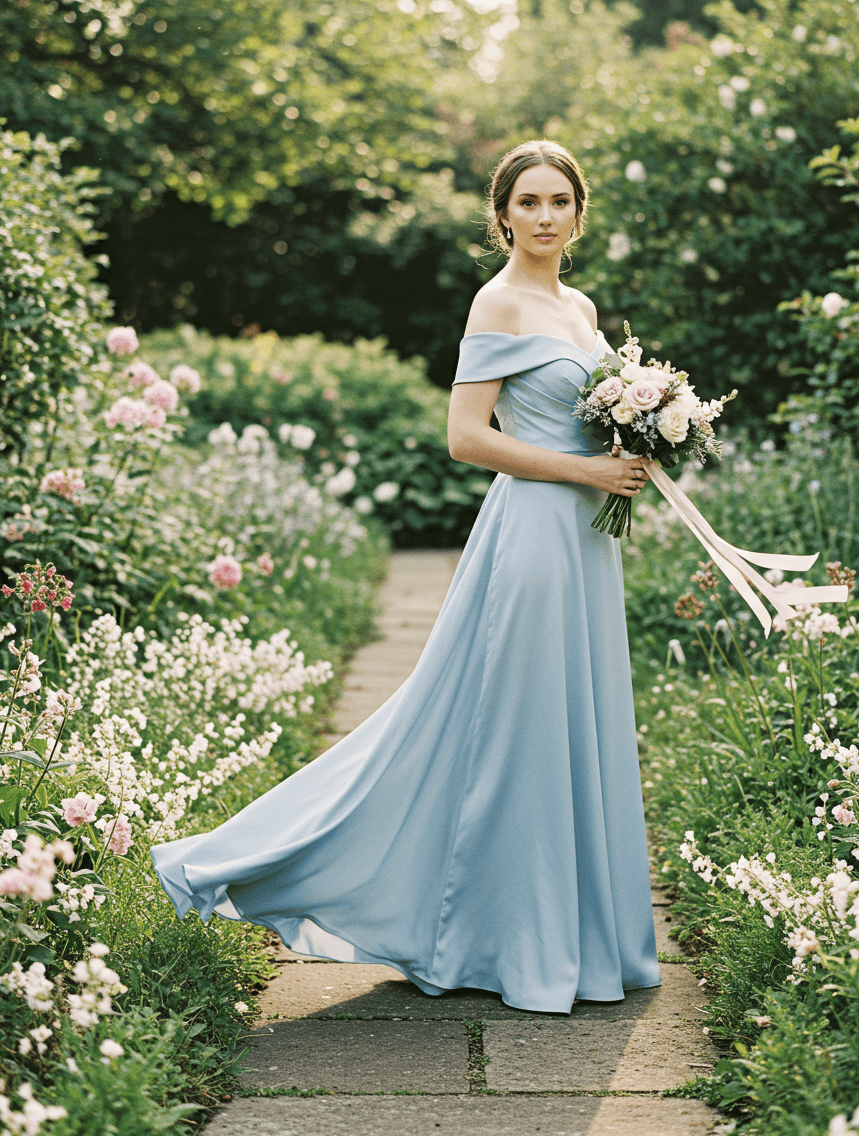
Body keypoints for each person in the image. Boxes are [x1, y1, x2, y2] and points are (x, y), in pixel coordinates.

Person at [151, 139, 660, 1015]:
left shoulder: (579, 306)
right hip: (535, 535)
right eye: (528, 202)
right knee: (517, 735)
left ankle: (584, 941)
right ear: (502, 215)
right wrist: (584, 474)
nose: (544, 216)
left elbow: (576, 417)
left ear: (581, 213)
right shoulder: (497, 301)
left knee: (577, 724)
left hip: (586, 540)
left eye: (559, 202)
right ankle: (499, 940)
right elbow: (465, 437)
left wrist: (634, 443)